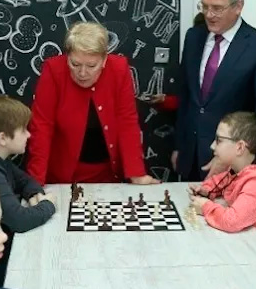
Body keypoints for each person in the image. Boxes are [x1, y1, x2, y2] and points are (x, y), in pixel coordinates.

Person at [173, 0, 256, 181]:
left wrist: (229, 156)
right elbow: (186, 98)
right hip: (190, 156)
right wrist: (180, 146)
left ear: (238, 6)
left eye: (217, 8)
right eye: (204, 6)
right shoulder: (194, 37)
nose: (209, 15)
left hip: (234, 166)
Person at [27, 21, 158, 185]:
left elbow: (127, 121)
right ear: (67, 57)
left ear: (104, 60)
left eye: (91, 65)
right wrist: (35, 182)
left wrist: (136, 173)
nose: (82, 73)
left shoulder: (118, 69)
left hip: (109, 173)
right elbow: (41, 126)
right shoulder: (53, 70)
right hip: (62, 174)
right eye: (74, 64)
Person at [0, 95, 56, 286]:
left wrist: (33, 194)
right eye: (23, 130)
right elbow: (19, 220)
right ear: (3, 138)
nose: (29, 135)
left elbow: (25, 181)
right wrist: (48, 204)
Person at [188, 112, 256, 261]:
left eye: (219, 140)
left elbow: (231, 221)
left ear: (239, 147)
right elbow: (224, 180)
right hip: (252, 240)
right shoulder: (241, 168)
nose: (212, 146)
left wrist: (205, 207)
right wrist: (207, 189)